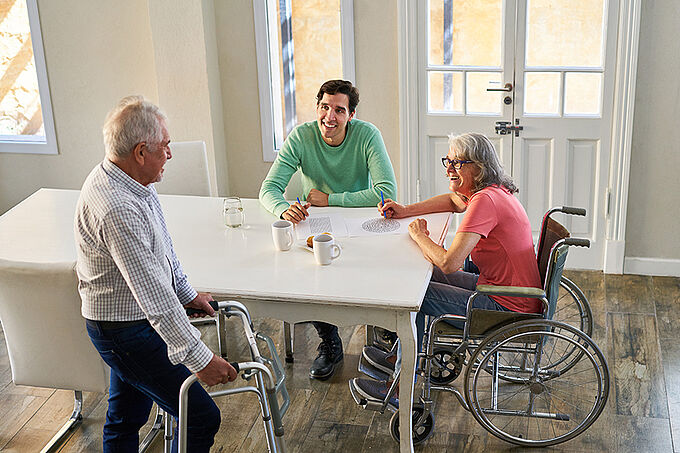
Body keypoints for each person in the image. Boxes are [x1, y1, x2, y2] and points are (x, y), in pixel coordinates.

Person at [75, 96, 237, 453]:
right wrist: (201, 359)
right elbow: (156, 299)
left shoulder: (135, 181)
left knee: (125, 418)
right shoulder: (116, 206)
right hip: (122, 330)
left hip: (130, 320)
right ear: (140, 152)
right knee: (199, 417)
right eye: (165, 146)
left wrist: (187, 293)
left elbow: (161, 249)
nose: (170, 153)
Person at [351, 132, 542, 403]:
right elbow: (453, 200)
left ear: (479, 167)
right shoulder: (493, 191)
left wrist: (420, 236)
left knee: (415, 295)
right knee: (422, 277)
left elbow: (449, 263)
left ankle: (400, 387)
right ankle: (401, 356)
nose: (449, 169)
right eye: (448, 161)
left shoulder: (485, 201)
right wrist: (405, 211)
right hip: (506, 291)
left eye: (457, 163)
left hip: (506, 307)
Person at [259, 79, 397, 380]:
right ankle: (330, 342)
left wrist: (331, 199)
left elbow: (386, 192)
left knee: (381, 266)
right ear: (317, 107)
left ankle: (385, 336)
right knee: (311, 275)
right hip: (318, 226)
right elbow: (268, 189)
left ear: (351, 115)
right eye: (324, 107)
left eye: (339, 110)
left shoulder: (367, 135)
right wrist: (283, 208)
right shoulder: (301, 137)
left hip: (358, 223)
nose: (329, 116)